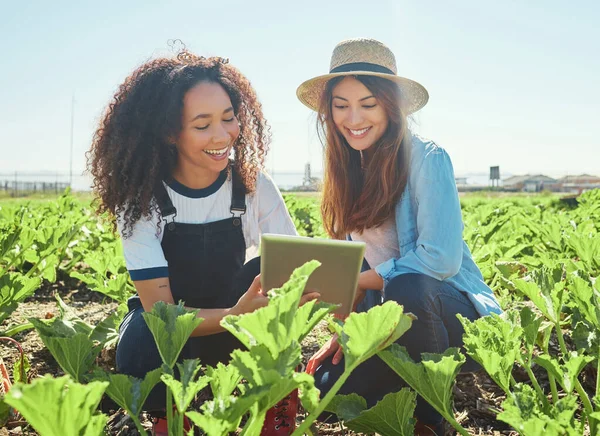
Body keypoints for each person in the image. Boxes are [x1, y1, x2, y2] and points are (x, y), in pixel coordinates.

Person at [87, 47, 316, 435]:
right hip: (183, 332)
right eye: (202, 124)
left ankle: (275, 395)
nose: (222, 135)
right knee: (146, 332)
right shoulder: (143, 201)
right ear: (169, 132)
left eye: (229, 119)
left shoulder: (253, 186)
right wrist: (234, 316)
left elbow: (295, 268)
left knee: (273, 270)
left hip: (235, 321)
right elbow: (162, 313)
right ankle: (170, 412)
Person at [296, 37, 502, 435]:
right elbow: (350, 270)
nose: (353, 118)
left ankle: (431, 419)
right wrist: (341, 335)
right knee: (326, 389)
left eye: (367, 104)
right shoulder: (344, 170)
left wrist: (363, 282)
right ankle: (397, 387)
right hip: (385, 315)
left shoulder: (427, 157)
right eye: (341, 105)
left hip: (445, 314)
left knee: (409, 286)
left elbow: (439, 259)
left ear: (390, 105)